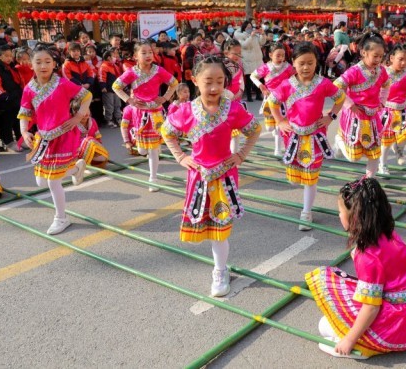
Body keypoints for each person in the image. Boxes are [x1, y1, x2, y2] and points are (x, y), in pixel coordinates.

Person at [162, 55, 261, 297]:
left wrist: (241, 155)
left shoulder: (233, 108)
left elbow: (254, 130)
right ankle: (220, 268)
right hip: (198, 177)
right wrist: (180, 157)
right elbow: (166, 131)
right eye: (208, 82)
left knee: (221, 226)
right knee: (207, 224)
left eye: (220, 81)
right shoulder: (186, 110)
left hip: (225, 176)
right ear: (195, 80)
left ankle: (220, 270)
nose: (215, 87)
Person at [305, 177, 406, 359]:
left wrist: (349, 340)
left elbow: (371, 307)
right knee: (330, 316)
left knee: (324, 326)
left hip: (394, 325)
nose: (339, 216)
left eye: (340, 211)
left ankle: (364, 348)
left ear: (353, 217)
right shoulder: (389, 234)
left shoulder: (368, 256)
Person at [269, 42, 345, 230]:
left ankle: (306, 212)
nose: (306, 67)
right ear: (293, 62)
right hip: (293, 137)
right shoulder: (286, 85)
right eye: (301, 63)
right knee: (297, 177)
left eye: (310, 63)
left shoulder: (323, 83)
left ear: (316, 62)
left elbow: (340, 98)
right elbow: (272, 102)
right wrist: (280, 121)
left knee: (311, 177)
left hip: (315, 136)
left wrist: (331, 117)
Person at [18, 45, 90, 235]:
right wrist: (24, 132)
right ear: (31, 64)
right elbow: (24, 113)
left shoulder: (63, 83)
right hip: (43, 138)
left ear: (54, 64)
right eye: (38, 62)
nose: (43, 66)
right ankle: (76, 169)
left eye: (47, 62)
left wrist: (78, 117)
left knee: (52, 180)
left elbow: (87, 96)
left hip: (64, 135)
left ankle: (61, 218)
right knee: (41, 182)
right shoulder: (28, 89)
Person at [112, 41, 178, 191]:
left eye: (150, 52)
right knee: (142, 150)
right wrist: (129, 100)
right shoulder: (131, 72)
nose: (148, 55)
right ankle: (141, 143)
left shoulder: (158, 70)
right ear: (135, 56)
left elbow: (174, 83)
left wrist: (165, 98)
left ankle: (153, 179)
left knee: (153, 149)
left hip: (155, 113)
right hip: (139, 113)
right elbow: (116, 86)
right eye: (144, 53)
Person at [333, 33, 389, 178]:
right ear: (364, 52)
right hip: (355, 115)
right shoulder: (354, 71)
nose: (378, 60)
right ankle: (339, 141)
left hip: (372, 116)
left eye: (381, 56)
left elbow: (386, 85)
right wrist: (349, 104)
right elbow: (337, 86)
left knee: (374, 152)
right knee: (354, 157)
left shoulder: (381, 71)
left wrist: (382, 101)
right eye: (375, 56)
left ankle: (370, 181)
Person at [250, 42, 294, 156]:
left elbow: (295, 78)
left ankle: (277, 150)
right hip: (269, 99)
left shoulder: (288, 67)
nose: (281, 58)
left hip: (283, 101)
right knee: (270, 128)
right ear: (270, 55)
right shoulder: (265, 67)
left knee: (280, 124)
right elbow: (253, 76)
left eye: (283, 55)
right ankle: (275, 132)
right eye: (278, 55)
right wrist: (261, 86)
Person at [380, 44, 406, 171]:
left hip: (403, 108)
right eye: (400, 59)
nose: (404, 63)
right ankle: (382, 165)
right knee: (386, 140)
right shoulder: (383, 72)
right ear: (392, 58)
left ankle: (398, 148)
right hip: (387, 109)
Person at [0, 44, 23, 153]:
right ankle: (9, 142)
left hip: (16, 99)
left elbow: (19, 81)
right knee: (7, 123)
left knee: (18, 121)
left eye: (10, 55)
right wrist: (6, 97)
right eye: (6, 56)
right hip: (6, 102)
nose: (9, 58)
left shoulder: (12, 67)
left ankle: (20, 140)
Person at [234, 21, 266, 102]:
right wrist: (250, 36)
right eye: (247, 27)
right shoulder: (241, 37)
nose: (249, 28)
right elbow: (245, 45)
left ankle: (258, 94)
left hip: (257, 60)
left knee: (259, 78)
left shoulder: (255, 35)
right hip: (248, 61)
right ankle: (249, 96)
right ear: (244, 28)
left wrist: (262, 34)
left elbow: (262, 42)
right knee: (249, 80)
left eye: (250, 27)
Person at [71, 99, 108, 168]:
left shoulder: (93, 121)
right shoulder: (73, 125)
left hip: (91, 150)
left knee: (102, 158)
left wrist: (97, 151)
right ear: (75, 114)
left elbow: (97, 138)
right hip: (76, 154)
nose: (86, 113)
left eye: (87, 109)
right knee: (89, 140)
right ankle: (82, 164)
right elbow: (71, 144)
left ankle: (89, 162)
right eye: (82, 111)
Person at [98, 49, 123, 128]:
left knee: (117, 104)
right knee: (109, 105)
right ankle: (109, 120)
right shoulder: (104, 66)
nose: (115, 57)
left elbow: (119, 77)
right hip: (108, 90)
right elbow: (101, 77)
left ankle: (118, 118)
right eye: (113, 56)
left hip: (116, 89)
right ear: (109, 57)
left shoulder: (115, 66)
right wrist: (103, 86)